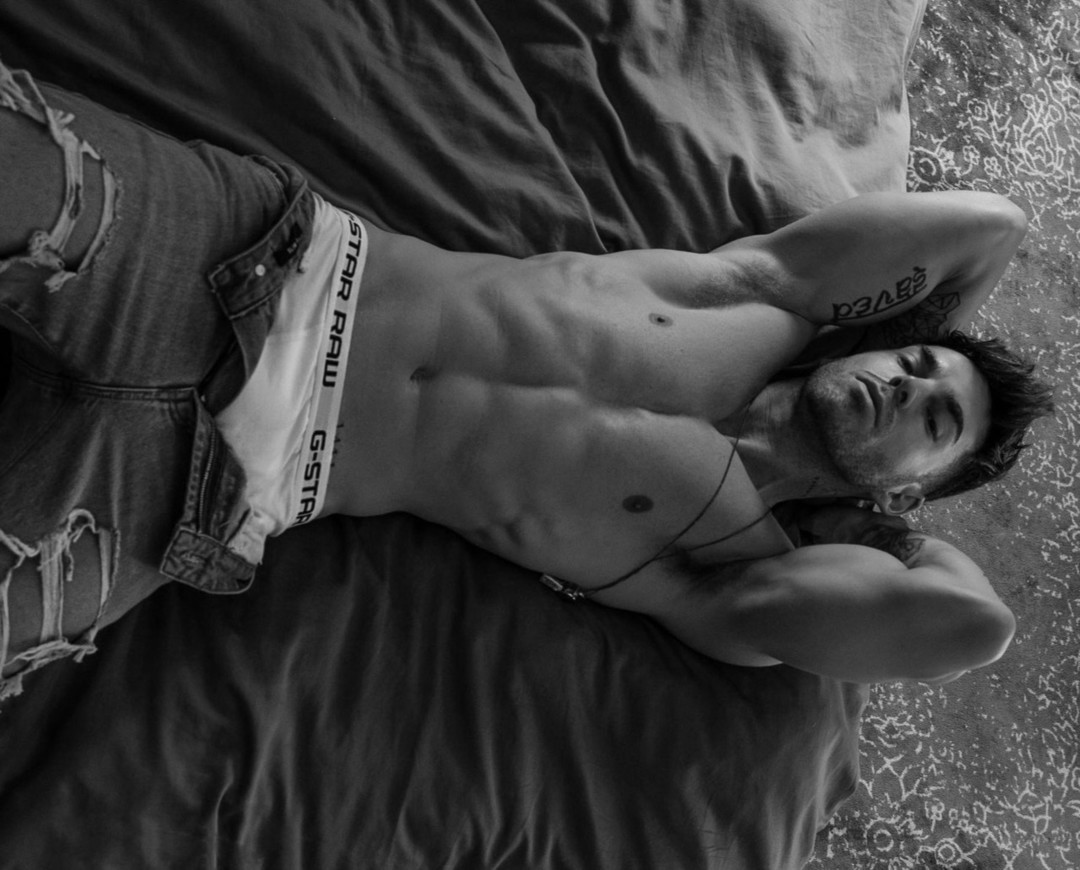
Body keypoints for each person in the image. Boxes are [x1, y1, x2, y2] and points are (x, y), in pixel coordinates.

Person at [0, 61, 1052, 701]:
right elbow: (991, 229)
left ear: (905, 495)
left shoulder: (727, 576)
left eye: (934, 418)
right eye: (915, 362)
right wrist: (928, 342)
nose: (906, 383)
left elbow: (972, 627)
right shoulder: (758, 298)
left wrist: (881, 527)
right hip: (261, 259)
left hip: (217, 481)